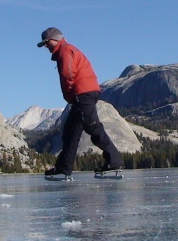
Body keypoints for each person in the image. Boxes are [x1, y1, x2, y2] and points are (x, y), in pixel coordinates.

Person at [37, 27, 122, 178]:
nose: (46, 46)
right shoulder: (68, 49)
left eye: (46, 42)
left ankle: (114, 161)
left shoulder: (64, 50)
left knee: (93, 127)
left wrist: (69, 95)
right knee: (71, 131)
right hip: (86, 92)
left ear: (54, 39)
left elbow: (68, 74)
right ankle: (63, 168)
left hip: (82, 94)